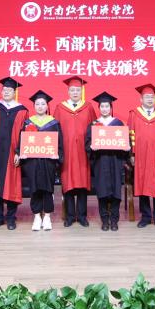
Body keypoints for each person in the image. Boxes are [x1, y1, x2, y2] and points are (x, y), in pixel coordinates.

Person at [16, 90, 64, 232]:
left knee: (48, 189)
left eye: (43, 104)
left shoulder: (53, 123)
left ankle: (47, 216)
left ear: (47, 106)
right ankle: (37, 216)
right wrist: (20, 153)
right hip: (32, 162)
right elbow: (21, 141)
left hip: (48, 162)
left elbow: (59, 143)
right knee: (34, 189)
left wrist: (57, 155)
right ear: (34, 106)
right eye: (37, 104)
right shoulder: (28, 123)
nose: (40, 106)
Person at [52, 76, 96, 227]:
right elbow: (55, 131)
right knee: (68, 183)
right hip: (67, 152)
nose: (75, 92)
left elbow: (94, 129)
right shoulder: (60, 108)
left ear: (81, 91)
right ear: (68, 91)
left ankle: (82, 216)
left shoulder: (88, 107)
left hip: (83, 152)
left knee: (83, 184)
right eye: (72, 90)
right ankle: (70, 216)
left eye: (78, 90)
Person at [0, 77, 27, 230]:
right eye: (5, 90)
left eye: (10, 90)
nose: (7, 92)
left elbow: (25, 134)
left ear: (14, 92)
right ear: (1, 91)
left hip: (12, 153)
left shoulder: (22, 110)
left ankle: (11, 218)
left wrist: (19, 152)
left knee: (12, 185)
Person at [85, 91, 129, 231]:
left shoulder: (118, 123)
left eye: (107, 106)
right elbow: (87, 144)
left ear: (111, 107)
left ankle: (114, 220)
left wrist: (127, 148)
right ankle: (104, 220)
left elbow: (125, 142)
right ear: (99, 108)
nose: (104, 109)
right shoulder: (94, 124)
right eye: (102, 106)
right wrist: (91, 147)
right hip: (101, 162)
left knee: (116, 192)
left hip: (115, 162)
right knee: (102, 192)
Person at [127, 83, 155, 229]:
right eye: (147, 97)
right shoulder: (134, 114)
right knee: (142, 185)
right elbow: (130, 134)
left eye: (152, 97)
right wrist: (132, 154)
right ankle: (145, 217)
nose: (150, 99)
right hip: (140, 156)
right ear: (141, 99)